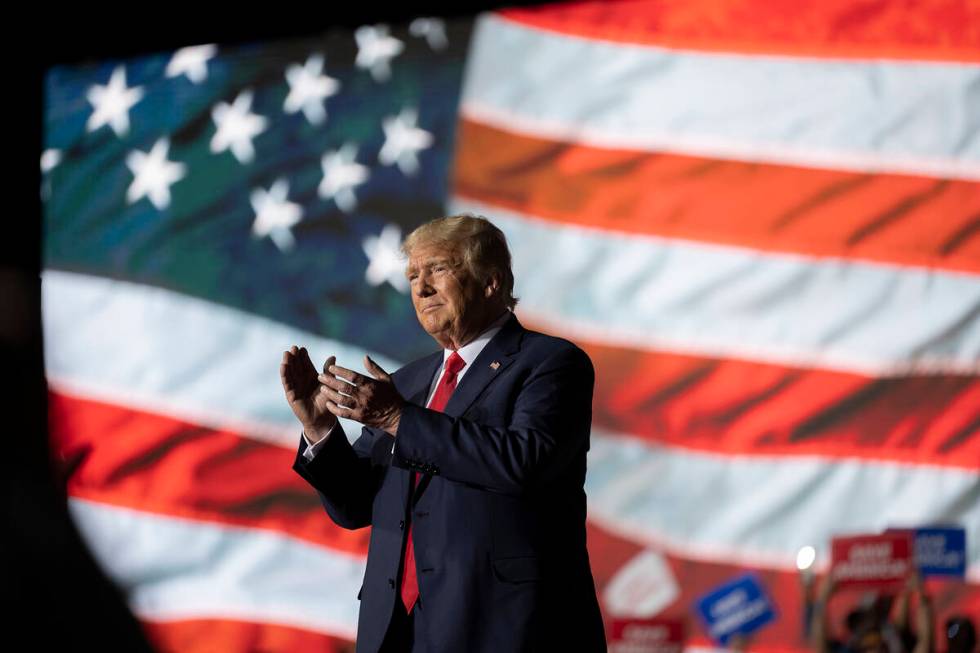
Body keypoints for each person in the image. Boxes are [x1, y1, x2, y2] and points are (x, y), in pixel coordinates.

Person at [280, 214, 606, 652]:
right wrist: (319, 428)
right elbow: (355, 506)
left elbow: (523, 463)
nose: (421, 288)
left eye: (438, 269)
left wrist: (397, 420)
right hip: (397, 630)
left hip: (505, 627)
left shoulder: (549, 364)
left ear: (491, 282)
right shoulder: (409, 382)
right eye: (413, 275)